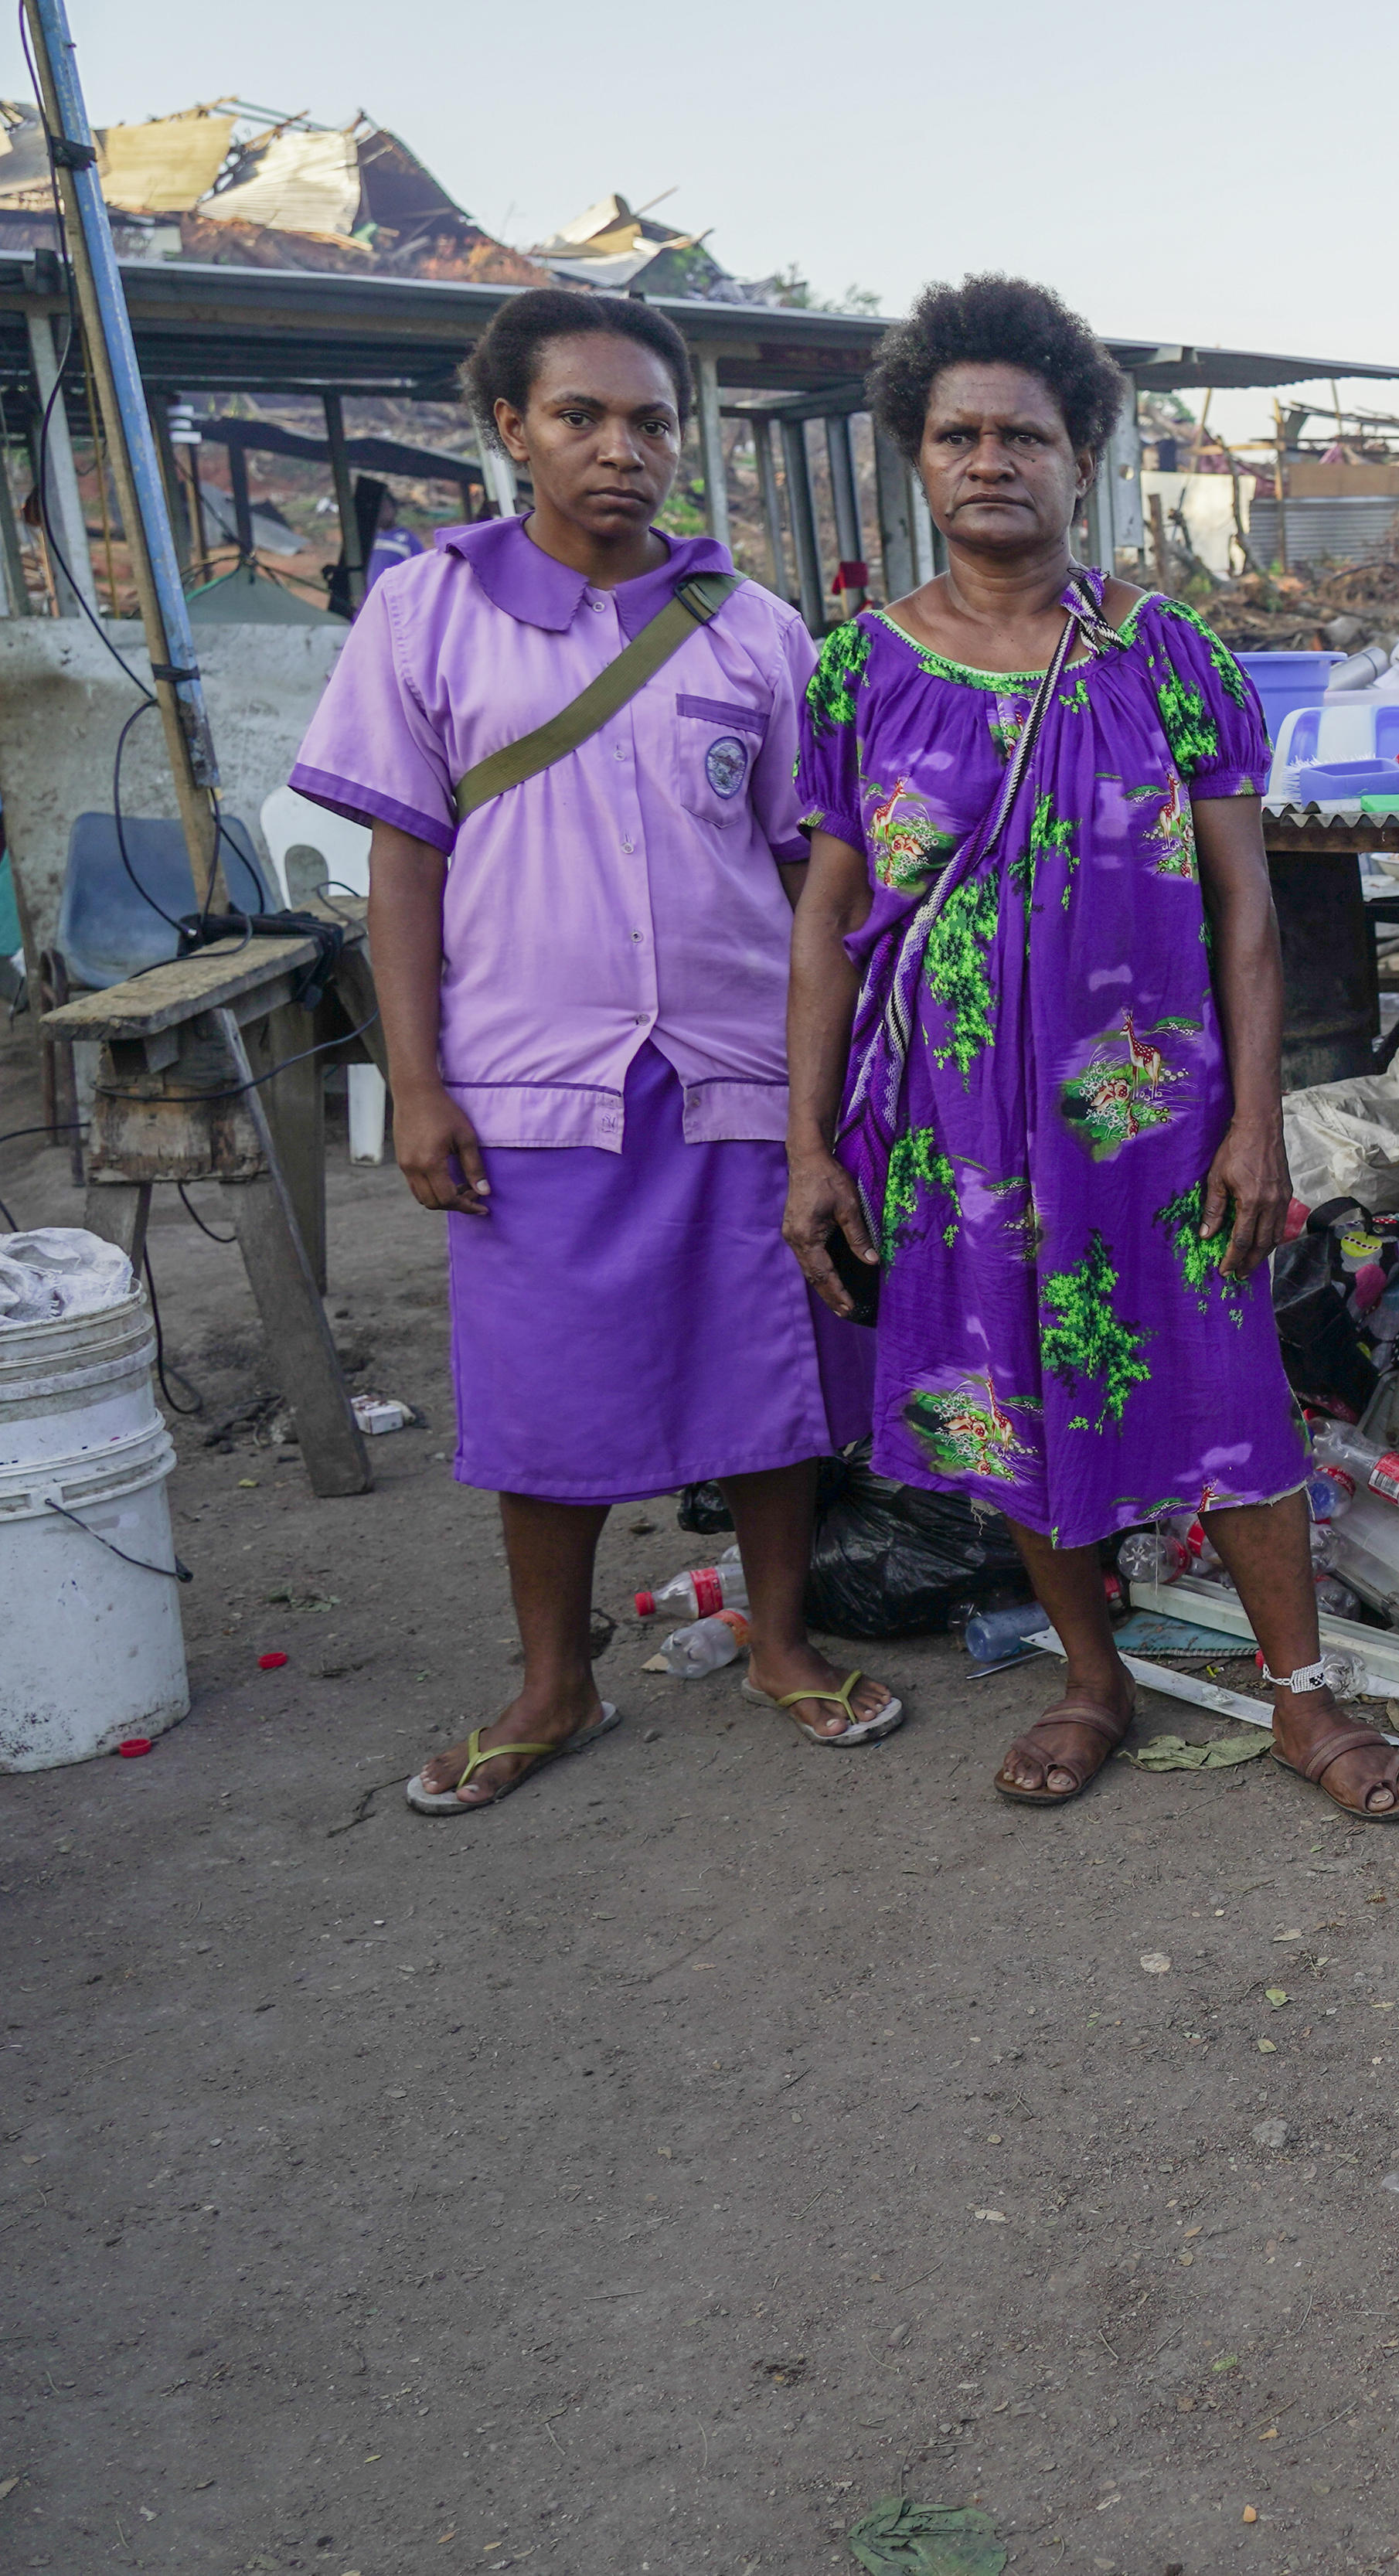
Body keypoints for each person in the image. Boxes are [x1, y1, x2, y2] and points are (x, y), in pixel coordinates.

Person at [781, 274, 1399, 1822]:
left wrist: (1253, 1122)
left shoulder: (1166, 656)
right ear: (917, 459)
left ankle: (1300, 1696)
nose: (989, 460)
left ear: (1086, 459)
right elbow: (825, 921)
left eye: (1026, 433)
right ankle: (1095, 1677)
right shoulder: (855, 669)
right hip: (950, 1134)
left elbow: (1249, 916)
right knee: (1008, 1395)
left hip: (1153, 1125)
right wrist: (808, 1147)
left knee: (1229, 1386)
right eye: (958, 434)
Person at [292, 285, 899, 1815]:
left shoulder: (752, 628)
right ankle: (554, 1683)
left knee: (770, 1363)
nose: (619, 449)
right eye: (580, 417)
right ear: (510, 430)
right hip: (529, 1077)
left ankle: (781, 1640)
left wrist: (840, 1085)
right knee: (542, 1392)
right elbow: (403, 871)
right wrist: (415, 1086)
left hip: (735, 1063)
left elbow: (802, 878)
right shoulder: (424, 611)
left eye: (647, 421)